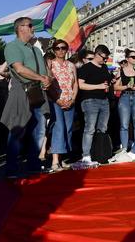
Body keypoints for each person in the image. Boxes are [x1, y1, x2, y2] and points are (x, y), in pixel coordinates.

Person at [1, 17, 52, 178]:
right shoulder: (12, 46)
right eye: (30, 25)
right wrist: (41, 78)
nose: (33, 28)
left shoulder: (36, 49)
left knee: (39, 130)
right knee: (17, 129)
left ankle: (33, 165)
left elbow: (44, 72)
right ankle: (11, 169)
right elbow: (19, 69)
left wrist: (47, 79)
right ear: (20, 28)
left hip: (38, 92)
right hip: (21, 91)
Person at [76, 44, 112, 167]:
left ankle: (99, 153)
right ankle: (86, 155)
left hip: (104, 101)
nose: (105, 60)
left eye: (106, 58)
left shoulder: (104, 67)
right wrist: (98, 86)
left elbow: (107, 82)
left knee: (102, 128)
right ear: (97, 54)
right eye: (103, 57)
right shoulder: (86, 68)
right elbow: (81, 85)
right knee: (90, 129)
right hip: (90, 101)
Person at [47, 39, 78, 172]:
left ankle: (61, 159)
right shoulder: (50, 64)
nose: (61, 50)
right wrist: (57, 100)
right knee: (58, 128)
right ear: (54, 50)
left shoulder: (71, 65)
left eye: (63, 48)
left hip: (69, 100)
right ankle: (54, 161)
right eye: (58, 48)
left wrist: (73, 99)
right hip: (56, 101)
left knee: (68, 130)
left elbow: (75, 83)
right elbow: (47, 84)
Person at [113, 49, 135, 154]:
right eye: (133, 57)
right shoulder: (121, 71)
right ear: (127, 59)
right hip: (125, 97)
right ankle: (124, 148)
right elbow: (115, 87)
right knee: (124, 125)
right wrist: (126, 86)